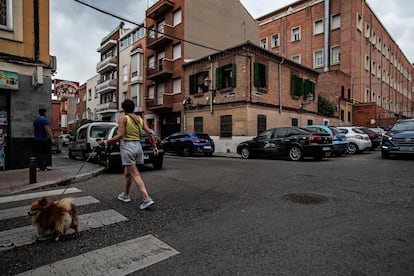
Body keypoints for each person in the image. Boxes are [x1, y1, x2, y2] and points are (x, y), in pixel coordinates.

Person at [99, 99, 158, 210]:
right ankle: (125, 195)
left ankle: (146, 198)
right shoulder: (140, 119)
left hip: (127, 147)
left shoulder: (123, 118)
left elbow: (121, 135)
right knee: (128, 173)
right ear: (133, 108)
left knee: (135, 174)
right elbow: (150, 132)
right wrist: (155, 147)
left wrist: (106, 141)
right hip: (138, 147)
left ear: (124, 109)